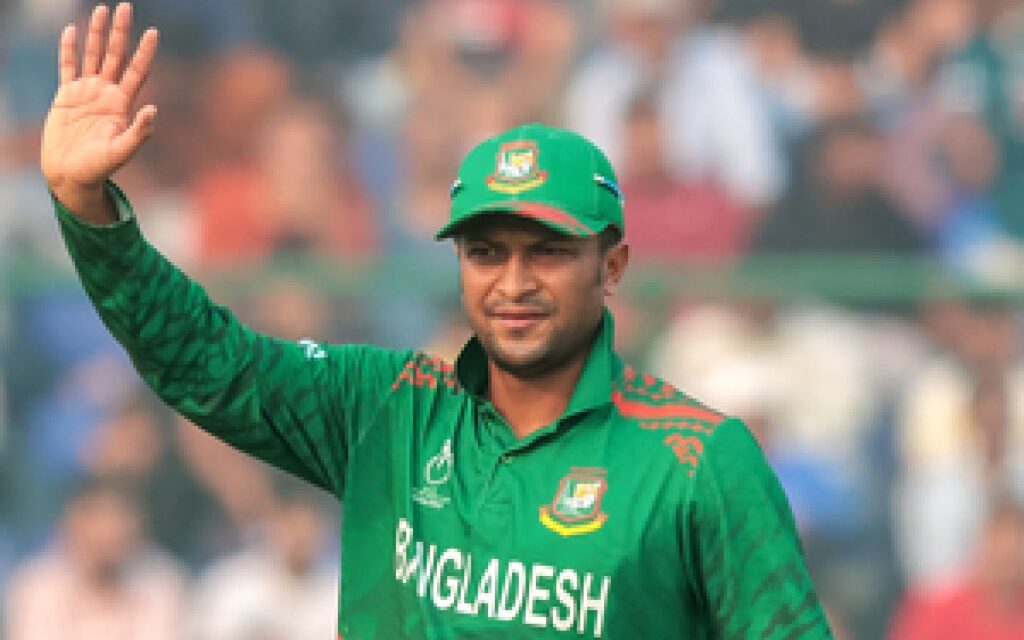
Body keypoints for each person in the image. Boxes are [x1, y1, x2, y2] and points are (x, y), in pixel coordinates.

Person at [40, 4, 831, 638]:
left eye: (548, 251)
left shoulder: (700, 462)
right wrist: (88, 208)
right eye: (485, 252)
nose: (512, 282)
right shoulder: (390, 409)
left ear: (613, 265)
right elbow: (205, 361)